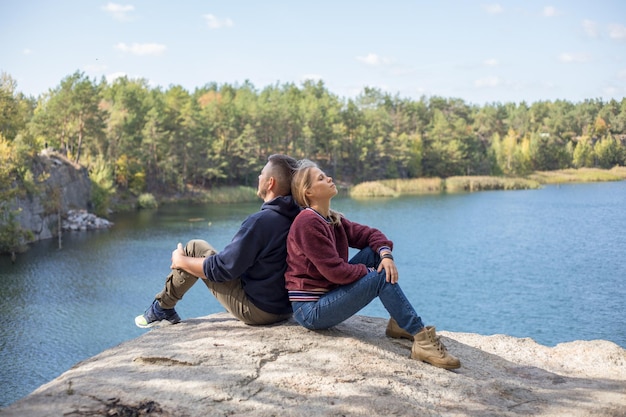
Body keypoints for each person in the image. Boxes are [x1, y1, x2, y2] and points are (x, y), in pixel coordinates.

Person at [284, 159, 461, 369]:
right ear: (309, 192)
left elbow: (371, 234)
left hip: (328, 295)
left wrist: (386, 255)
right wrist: (370, 273)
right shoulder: (307, 222)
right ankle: (421, 340)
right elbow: (335, 272)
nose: (329, 178)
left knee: (375, 255)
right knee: (378, 276)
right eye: (321, 178)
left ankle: (399, 322)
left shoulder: (331, 218)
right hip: (311, 309)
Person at [135, 154, 300, 328]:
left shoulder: (261, 222)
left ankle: (162, 308)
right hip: (285, 308)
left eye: (262, 173)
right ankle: (163, 308)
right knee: (200, 249)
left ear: (270, 183)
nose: (259, 177)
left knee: (193, 248)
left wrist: (181, 261)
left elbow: (223, 268)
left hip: (260, 311)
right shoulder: (296, 216)